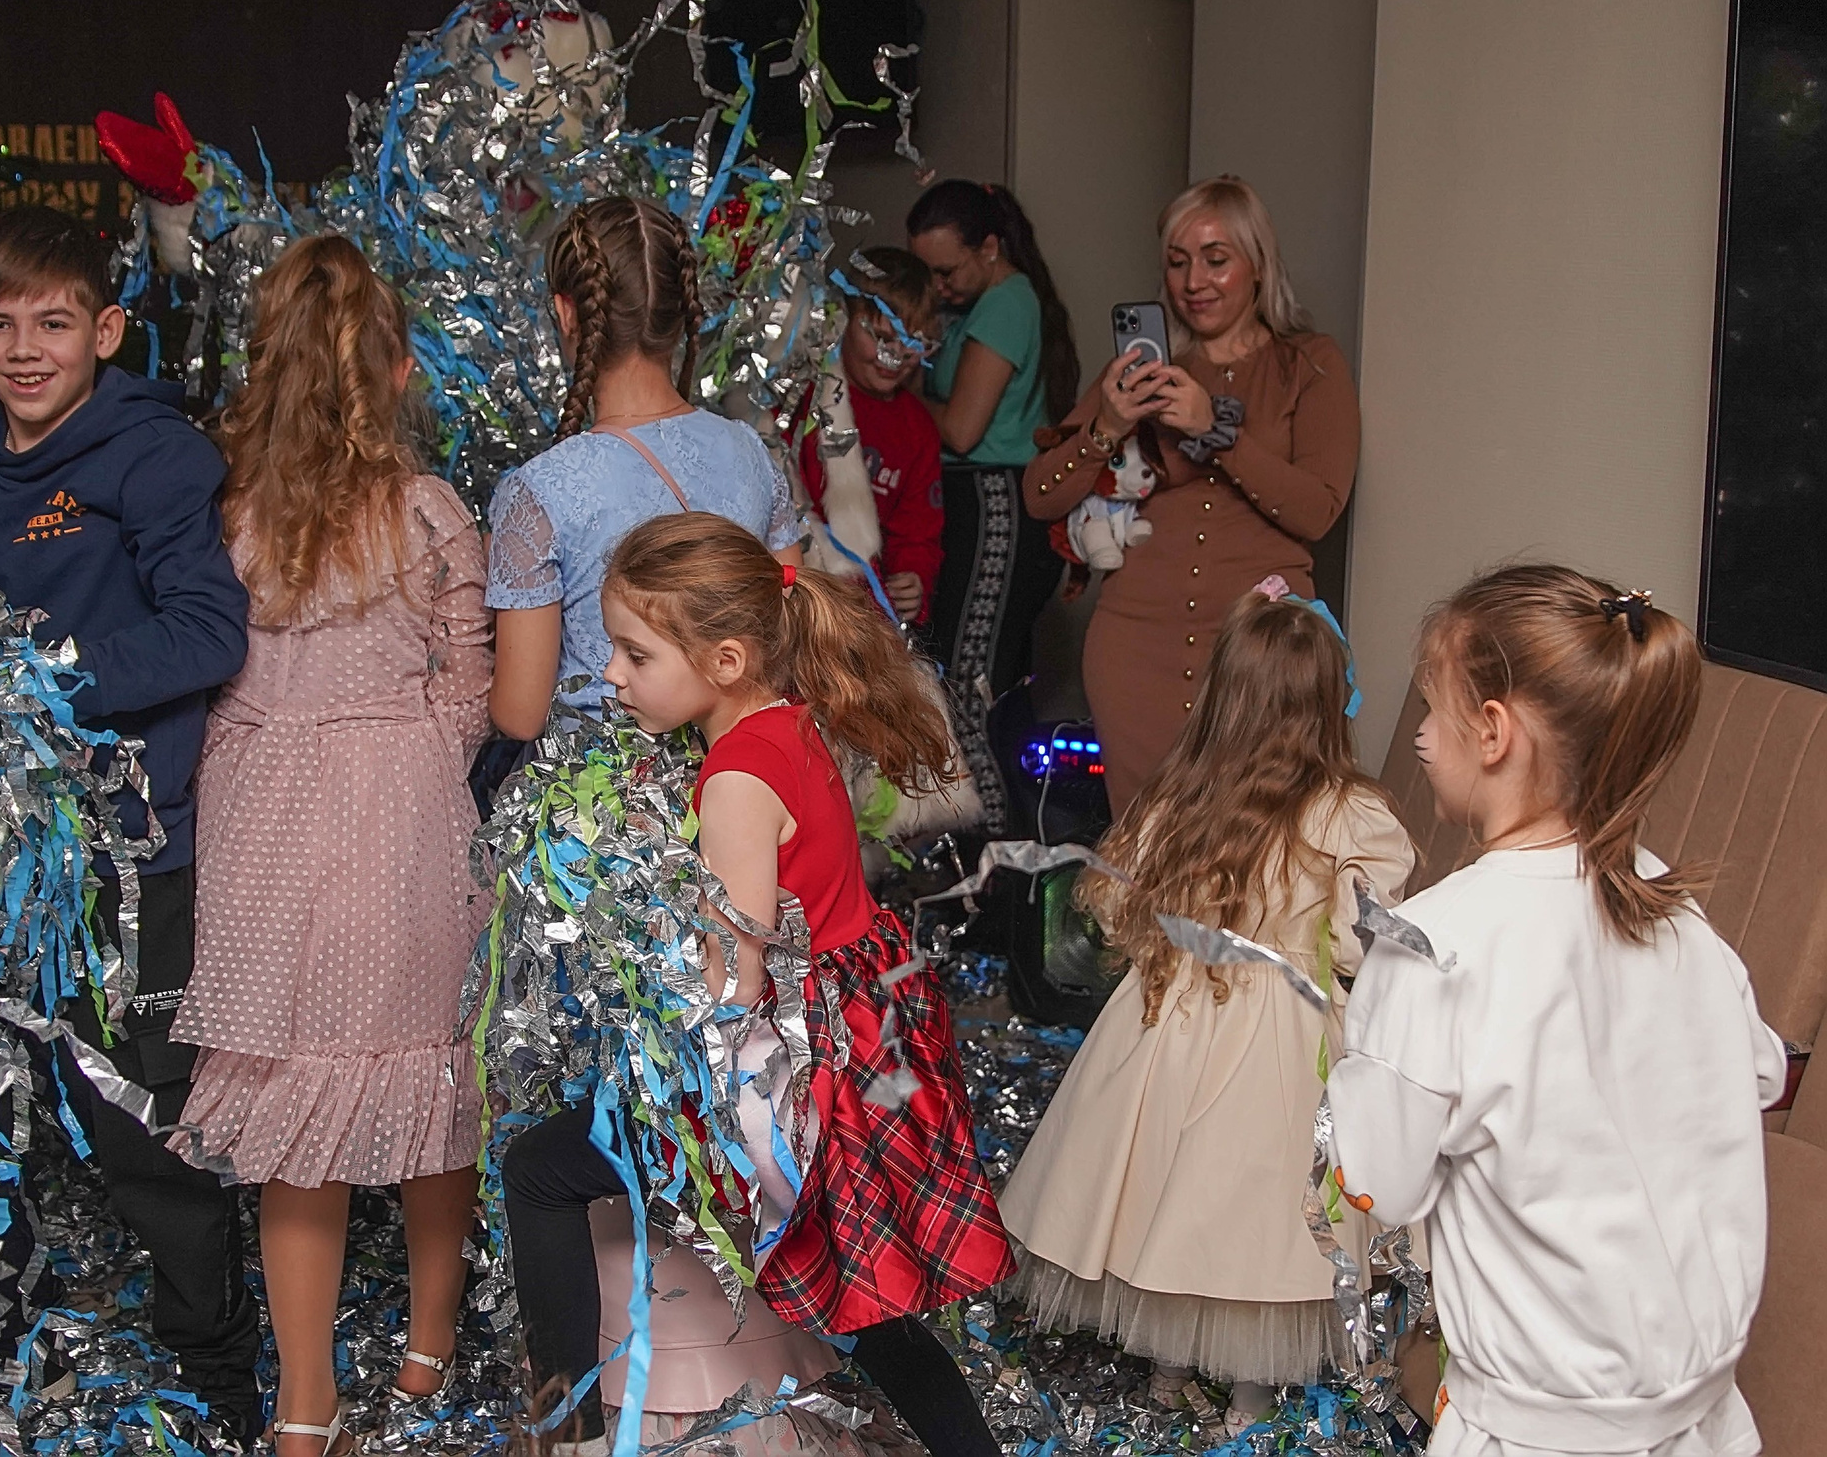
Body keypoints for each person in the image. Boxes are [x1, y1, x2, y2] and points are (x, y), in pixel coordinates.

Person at [502, 513, 1010, 1457]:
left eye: (634, 654)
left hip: (786, 1079)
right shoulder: (790, 721)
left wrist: (635, 965)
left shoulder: (734, 778)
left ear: (727, 658)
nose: (612, 675)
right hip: (863, 1038)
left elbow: (732, 986)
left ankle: (564, 1433)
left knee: (535, 1172)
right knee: (863, 1299)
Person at [0, 204, 263, 1436]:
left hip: (126, 847)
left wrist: (29, 685)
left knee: (141, 1118)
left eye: (55, 322)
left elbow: (208, 631)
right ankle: (5, 1339)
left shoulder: (153, 457)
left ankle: (211, 1368)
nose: (26, 349)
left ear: (105, 328)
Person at [1328, 566, 1785, 1457]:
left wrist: (1349, 1067)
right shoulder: (1663, 899)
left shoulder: (1432, 943)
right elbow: (1759, 1069)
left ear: (1492, 732)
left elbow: (1380, 1182)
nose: (1419, 740)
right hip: (1705, 1422)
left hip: (1535, 1432)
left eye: (1431, 711)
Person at [168, 237, 493, 1457]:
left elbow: (213, 671)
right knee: (425, 1076)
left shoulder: (231, 514)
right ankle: (427, 1344)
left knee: (297, 1110)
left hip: (261, 811)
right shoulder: (428, 510)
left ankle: (305, 1406)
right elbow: (470, 687)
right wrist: (404, 756)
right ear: (396, 370)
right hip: (401, 814)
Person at [997, 582, 1414, 1433]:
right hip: (1281, 1036)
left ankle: (1168, 1367)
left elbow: (1116, 907)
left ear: (1220, 693)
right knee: (1244, 1208)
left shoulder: (1181, 795)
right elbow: (1359, 943)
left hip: (1174, 1014)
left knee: (1155, 1180)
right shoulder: (1350, 814)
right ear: (1331, 701)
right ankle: (1251, 1395)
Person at [1023, 176, 1360, 809]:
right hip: (1134, 652)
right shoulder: (1137, 372)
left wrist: (1215, 431)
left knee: (1257, 854)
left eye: (1215, 259)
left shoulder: (1309, 364)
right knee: (1144, 858)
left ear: (1257, 266)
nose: (1194, 281)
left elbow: (1317, 511)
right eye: (1177, 262)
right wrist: (1108, 428)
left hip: (1258, 658)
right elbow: (1040, 496)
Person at [488, 196, 804, 741]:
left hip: (607, 809)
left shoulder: (538, 491)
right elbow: (788, 641)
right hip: (740, 777)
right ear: (681, 311)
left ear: (567, 313)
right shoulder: (750, 451)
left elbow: (521, 714)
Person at [906, 181, 1076, 822]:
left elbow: (960, 429)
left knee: (972, 691)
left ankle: (999, 868)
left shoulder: (1007, 302)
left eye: (947, 270)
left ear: (990, 248)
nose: (938, 286)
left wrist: (883, 397)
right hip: (968, 502)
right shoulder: (973, 307)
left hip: (995, 503)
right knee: (957, 675)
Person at [794, 248, 943, 626]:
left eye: (913, 344)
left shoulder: (917, 429)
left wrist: (914, 580)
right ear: (845, 319)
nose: (894, 356)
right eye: (881, 337)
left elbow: (918, 531)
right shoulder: (804, 396)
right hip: (794, 593)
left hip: (864, 619)